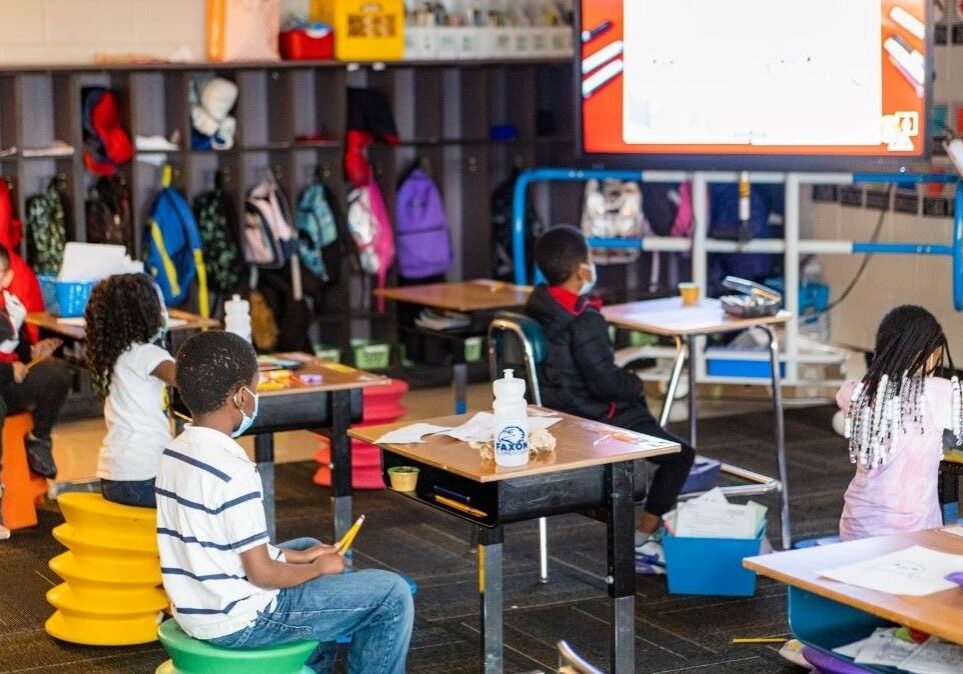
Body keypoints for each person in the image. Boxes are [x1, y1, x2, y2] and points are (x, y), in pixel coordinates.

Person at [157, 331, 413, 673]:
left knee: (308, 546)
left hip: (195, 605)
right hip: (242, 623)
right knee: (392, 595)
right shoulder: (234, 471)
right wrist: (317, 568)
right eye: (255, 389)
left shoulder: (175, 451)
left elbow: (218, 544)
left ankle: (310, 665)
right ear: (240, 397)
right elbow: (261, 573)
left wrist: (303, 557)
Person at [525, 226, 695, 574]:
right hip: (592, 417)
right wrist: (635, 384)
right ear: (582, 270)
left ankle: (639, 504)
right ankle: (644, 537)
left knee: (645, 420)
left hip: (553, 413)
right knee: (680, 456)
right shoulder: (583, 321)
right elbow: (605, 383)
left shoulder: (536, 306)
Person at [838, 305, 961, 541]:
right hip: (914, 533)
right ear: (934, 354)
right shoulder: (940, 394)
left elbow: (846, 393)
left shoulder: (857, 392)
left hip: (857, 528)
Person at [85, 274, 174, 508]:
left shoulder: (114, 355)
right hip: (145, 473)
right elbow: (190, 380)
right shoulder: (147, 354)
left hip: (114, 475)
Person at [0, 243, 69, 480]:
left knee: (56, 373)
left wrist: (32, 354)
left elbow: (15, 343)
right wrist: (9, 371)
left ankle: (39, 440)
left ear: (7, 277)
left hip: (9, 383)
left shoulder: (10, 307)